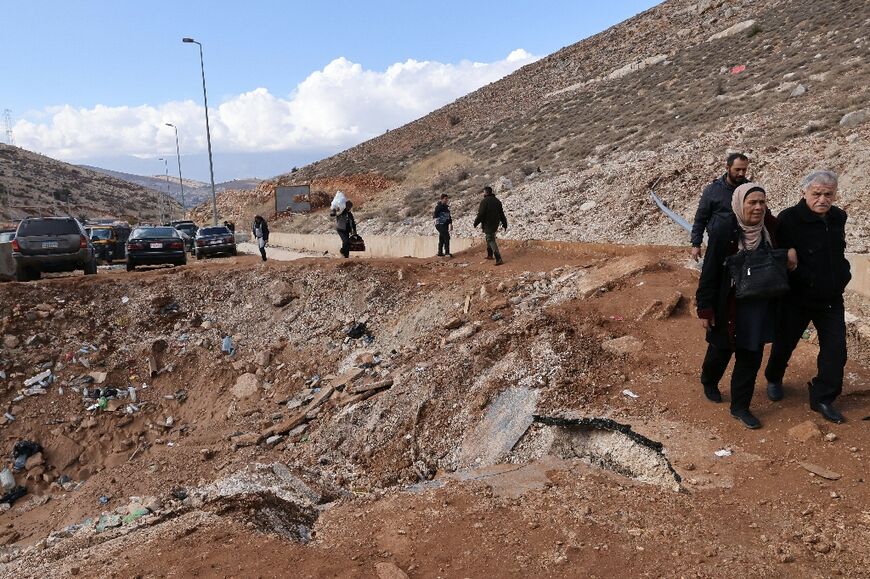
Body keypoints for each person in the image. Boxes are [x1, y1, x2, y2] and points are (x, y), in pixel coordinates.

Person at [696, 182, 787, 429]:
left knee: (751, 356)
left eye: (762, 202)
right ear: (739, 203)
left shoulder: (770, 227)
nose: (758, 207)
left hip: (759, 306)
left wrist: (790, 252)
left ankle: (740, 407)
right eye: (752, 202)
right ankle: (709, 380)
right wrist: (705, 307)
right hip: (728, 304)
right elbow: (710, 271)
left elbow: (788, 244)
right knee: (721, 349)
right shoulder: (724, 229)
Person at [764, 171, 851, 423]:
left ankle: (823, 397)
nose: (823, 199)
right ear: (804, 192)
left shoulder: (838, 217)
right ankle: (774, 377)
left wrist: (843, 275)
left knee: (836, 350)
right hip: (797, 297)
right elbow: (780, 253)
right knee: (785, 342)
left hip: (831, 297)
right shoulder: (789, 218)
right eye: (817, 194)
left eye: (828, 194)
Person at [691, 153, 750, 262]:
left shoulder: (750, 189)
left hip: (743, 246)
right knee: (710, 273)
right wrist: (696, 244)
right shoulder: (712, 190)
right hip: (717, 245)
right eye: (737, 169)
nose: (741, 173)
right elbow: (700, 219)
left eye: (744, 170)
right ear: (727, 168)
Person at [473, 186, 507, 265]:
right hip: (495, 223)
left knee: (490, 239)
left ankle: (498, 259)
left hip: (488, 224)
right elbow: (502, 214)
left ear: (485, 192)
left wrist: (476, 222)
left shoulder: (484, 201)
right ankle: (490, 255)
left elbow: (481, 214)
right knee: (489, 237)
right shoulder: (497, 201)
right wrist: (504, 223)